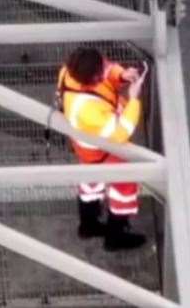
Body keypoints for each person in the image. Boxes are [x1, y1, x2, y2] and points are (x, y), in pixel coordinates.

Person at [57, 47, 147, 251]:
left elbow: (106, 69)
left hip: (87, 149)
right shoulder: (88, 112)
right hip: (103, 151)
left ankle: (88, 225)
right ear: (92, 79)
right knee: (124, 187)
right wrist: (134, 99)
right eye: (101, 73)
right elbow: (121, 132)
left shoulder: (70, 71)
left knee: (91, 182)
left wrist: (122, 75)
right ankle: (115, 236)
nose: (104, 70)